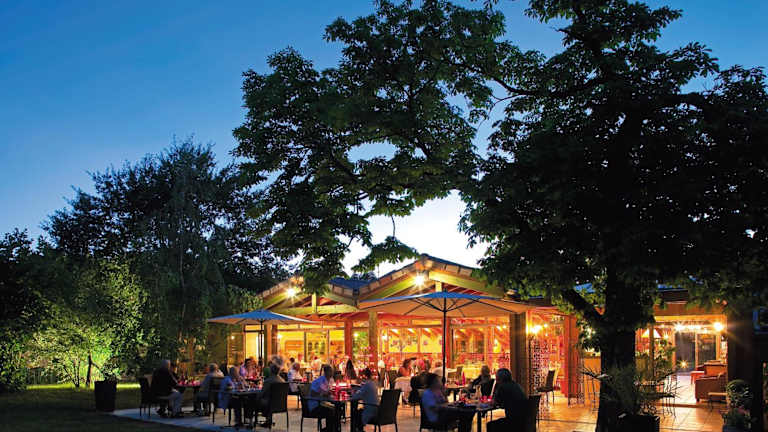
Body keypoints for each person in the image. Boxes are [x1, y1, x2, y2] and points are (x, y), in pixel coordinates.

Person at [309, 365, 338, 432]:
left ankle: (332, 429)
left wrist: (329, 393)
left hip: (323, 403)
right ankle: (329, 429)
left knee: (337, 410)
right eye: (330, 371)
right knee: (331, 411)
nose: (332, 373)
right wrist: (323, 394)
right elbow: (312, 393)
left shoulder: (330, 380)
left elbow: (328, 392)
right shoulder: (319, 381)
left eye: (332, 371)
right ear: (326, 372)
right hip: (315, 405)